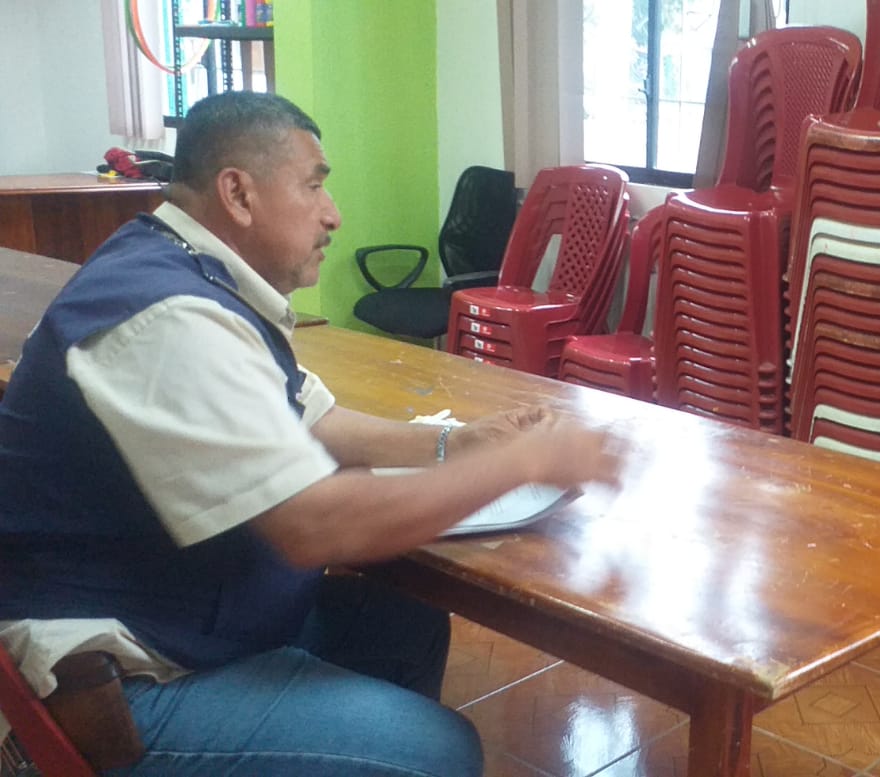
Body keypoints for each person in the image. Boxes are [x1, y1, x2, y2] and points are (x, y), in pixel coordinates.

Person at [0, 92, 622, 776]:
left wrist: (454, 445)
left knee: (402, 622)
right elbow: (314, 527)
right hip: (122, 683)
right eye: (314, 184)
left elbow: (309, 416)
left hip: (176, 610)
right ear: (238, 193)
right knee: (436, 752)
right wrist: (523, 461)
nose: (333, 214)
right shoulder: (168, 319)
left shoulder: (179, 264)